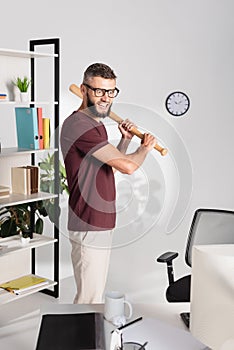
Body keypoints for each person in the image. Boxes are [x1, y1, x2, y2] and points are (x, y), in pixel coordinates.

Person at [60, 63, 157, 304]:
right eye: (99, 91)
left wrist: (125, 141)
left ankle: (89, 338)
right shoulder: (79, 125)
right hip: (88, 222)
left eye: (111, 91)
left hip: (100, 221)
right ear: (83, 90)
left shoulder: (97, 125)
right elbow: (128, 166)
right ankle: (81, 341)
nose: (106, 99)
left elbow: (110, 167)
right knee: (88, 300)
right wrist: (144, 149)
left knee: (93, 296)